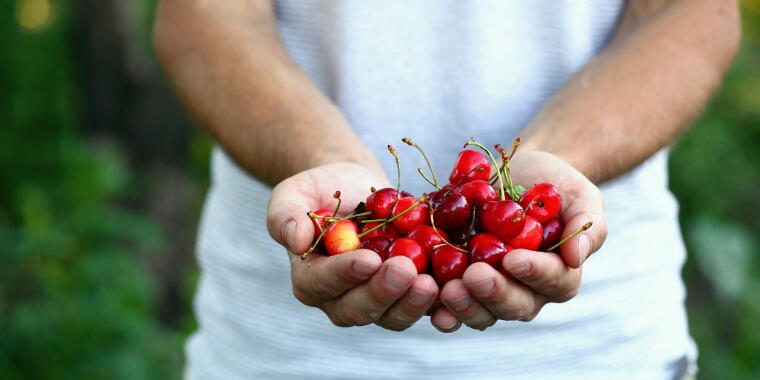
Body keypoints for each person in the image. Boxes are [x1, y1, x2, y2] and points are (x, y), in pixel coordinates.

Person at [154, 0, 740, 378]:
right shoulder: (393, 224)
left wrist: (562, 156)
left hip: (597, 350)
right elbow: (205, 16)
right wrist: (322, 158)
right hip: (281, 354)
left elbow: (690, 14)